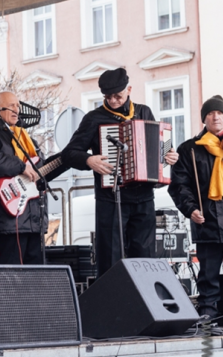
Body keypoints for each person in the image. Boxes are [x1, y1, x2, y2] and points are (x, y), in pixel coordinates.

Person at [61, 68, 178, 277]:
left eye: (118, 96)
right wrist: (89, 160)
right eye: (108, 97)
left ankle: (143, 305)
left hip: (143, 197)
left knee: (145, 257)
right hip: (111, 200)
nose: (113, 101)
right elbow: (69, 153)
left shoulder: (144, 112)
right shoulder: (93, 119)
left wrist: (169, 154)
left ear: (129, 90)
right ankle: (112, 305)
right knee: (110, 257)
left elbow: (164, 142)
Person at [169, 96, 223, 320]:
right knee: (208, 271)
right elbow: (179, 186)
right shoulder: (189, 149)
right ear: (204, 119)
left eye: (219, 113)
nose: (215, 116)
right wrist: (190, 209)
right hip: (206, 217)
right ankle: (208, 313)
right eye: (210, 113)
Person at [0, 92, 49, 264]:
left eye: (18, 106)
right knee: (8, 274)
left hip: (34, 219)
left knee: (36, 274)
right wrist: (21, 166)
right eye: (12, 105)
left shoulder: (28, 140)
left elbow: (40, 170)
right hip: (7, 217)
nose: (17, 109)